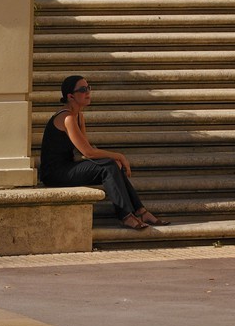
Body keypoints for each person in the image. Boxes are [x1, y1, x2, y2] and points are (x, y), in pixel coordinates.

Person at [38, 74, 160, 229]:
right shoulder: (67, 118)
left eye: (88, 88)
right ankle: (126, 216)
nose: (87, 92)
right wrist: (120, 156)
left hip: (68, 167)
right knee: (109, 165)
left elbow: (85, 149)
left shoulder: (78, 117)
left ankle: (140, 211)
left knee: (112, 165)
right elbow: (88, 152)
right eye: (82, 89)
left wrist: (115, 160)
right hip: (55, 174)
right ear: (70, 96)